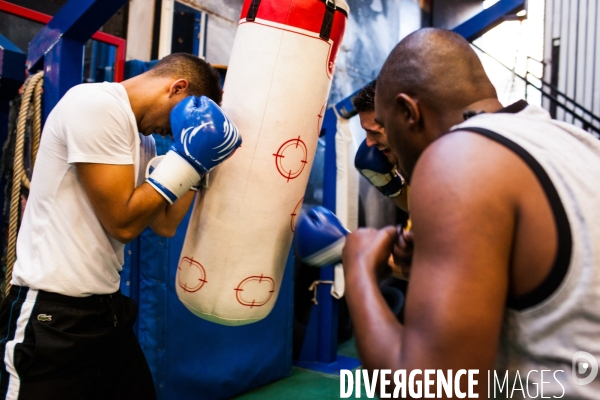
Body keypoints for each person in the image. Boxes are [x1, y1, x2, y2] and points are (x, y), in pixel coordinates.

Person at [342, 28, 600, 397]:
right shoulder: (575, 144)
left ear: (408, 112)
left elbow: (436, 390)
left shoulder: (459, 156)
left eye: (384, 126)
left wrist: (358, 270)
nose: (384, 144)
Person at [0, 53, 240, 400]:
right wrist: (188, 159)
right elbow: (123, 223)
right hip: (53, 318)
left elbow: (165, 223)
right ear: (177, 87)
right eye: (174, 123)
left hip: (106, 312)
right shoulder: (95, 105)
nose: (170, 133)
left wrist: (199, 168)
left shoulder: (141, 140)